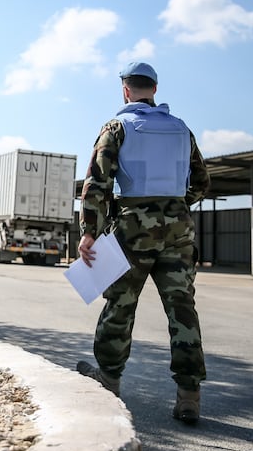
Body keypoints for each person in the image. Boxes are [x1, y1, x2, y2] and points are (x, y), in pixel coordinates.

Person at [76, 61, 210, 424]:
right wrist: (173, 208)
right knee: (182, 309)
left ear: (125, 90)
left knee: (120, 305)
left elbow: (97, 184)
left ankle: (109, 382)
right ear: (154, 90)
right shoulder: (182, 130)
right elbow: (200, 181)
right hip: (179, 229)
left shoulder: (117, 127)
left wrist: (90, 231)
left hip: (133, 229)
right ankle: (189, 395)